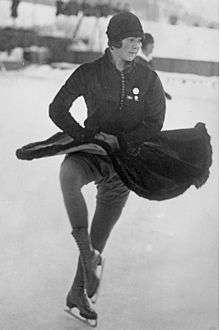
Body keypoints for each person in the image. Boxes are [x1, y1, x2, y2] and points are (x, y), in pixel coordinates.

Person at [48, 12, 166, 323]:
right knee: (68, 175)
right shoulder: (89, 73)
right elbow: (57, 108)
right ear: (114, 41)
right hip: (93, 154)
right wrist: (82, 134)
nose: (136, 44)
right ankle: (87, 254)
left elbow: (155, 122)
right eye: (131, 39)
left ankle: (77, 293)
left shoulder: (148, 78)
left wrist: (125, 141)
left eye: (139, 40)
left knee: (100, 233)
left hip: (124, 164)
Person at [136, 33, 172, 100]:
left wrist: (163, 93)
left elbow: (153, 81)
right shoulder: (138, 62)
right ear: (145, 45)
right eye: (151, 44)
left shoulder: (149, 61)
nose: (153, 46)